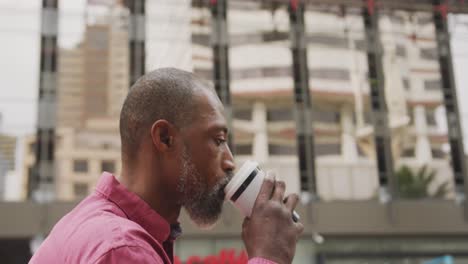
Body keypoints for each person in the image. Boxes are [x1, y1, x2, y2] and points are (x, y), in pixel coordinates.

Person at [30, 68, 303, 264]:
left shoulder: (101, 227)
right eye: (218, 140)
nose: (230, 161)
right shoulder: (121, 248)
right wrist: (269, 257)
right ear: (164, 138)